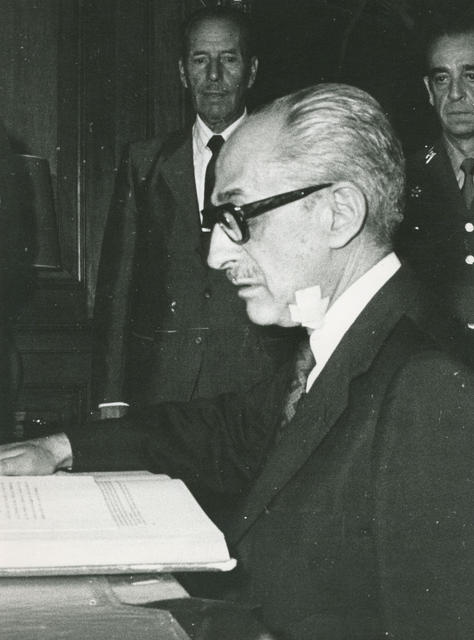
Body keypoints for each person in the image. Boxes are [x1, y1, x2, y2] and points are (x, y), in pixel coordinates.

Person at [2, 83, 474, 639]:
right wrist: (60, 447)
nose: (216, 254)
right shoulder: (349, 339)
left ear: (339, 214)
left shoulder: (431, 385)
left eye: (238, 215)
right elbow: (223, 430)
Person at [92, 6, 298, 417]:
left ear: (252, 71)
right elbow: (118, 288)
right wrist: (111, 394)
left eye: (229, 59)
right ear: (183, 73)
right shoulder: (145, 163)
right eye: (201, 60)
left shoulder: (288, 159)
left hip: (259, 386)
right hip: (163, 387)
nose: (214, 76)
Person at [397, 10, 474, 360]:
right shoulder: (402, 179)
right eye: (442, 79)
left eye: (470, 76)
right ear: (429, 91)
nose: (456, 94)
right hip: (432, 366)